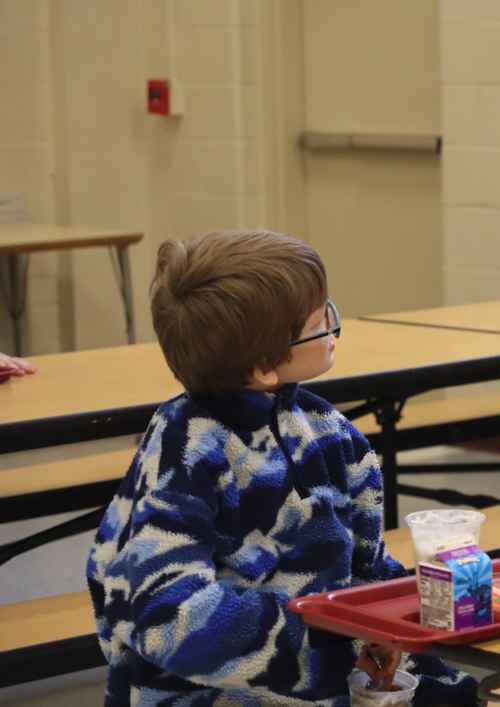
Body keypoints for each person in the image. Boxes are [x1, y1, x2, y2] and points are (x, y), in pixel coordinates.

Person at [85, 230, 478, 706]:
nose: (332, 328)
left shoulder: (330, 431)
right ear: (268, 364)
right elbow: (166, 613)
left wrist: (393, 623)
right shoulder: (186, 449)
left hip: (325, 669)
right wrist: (333, 640)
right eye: (320, 321)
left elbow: (366, 564)